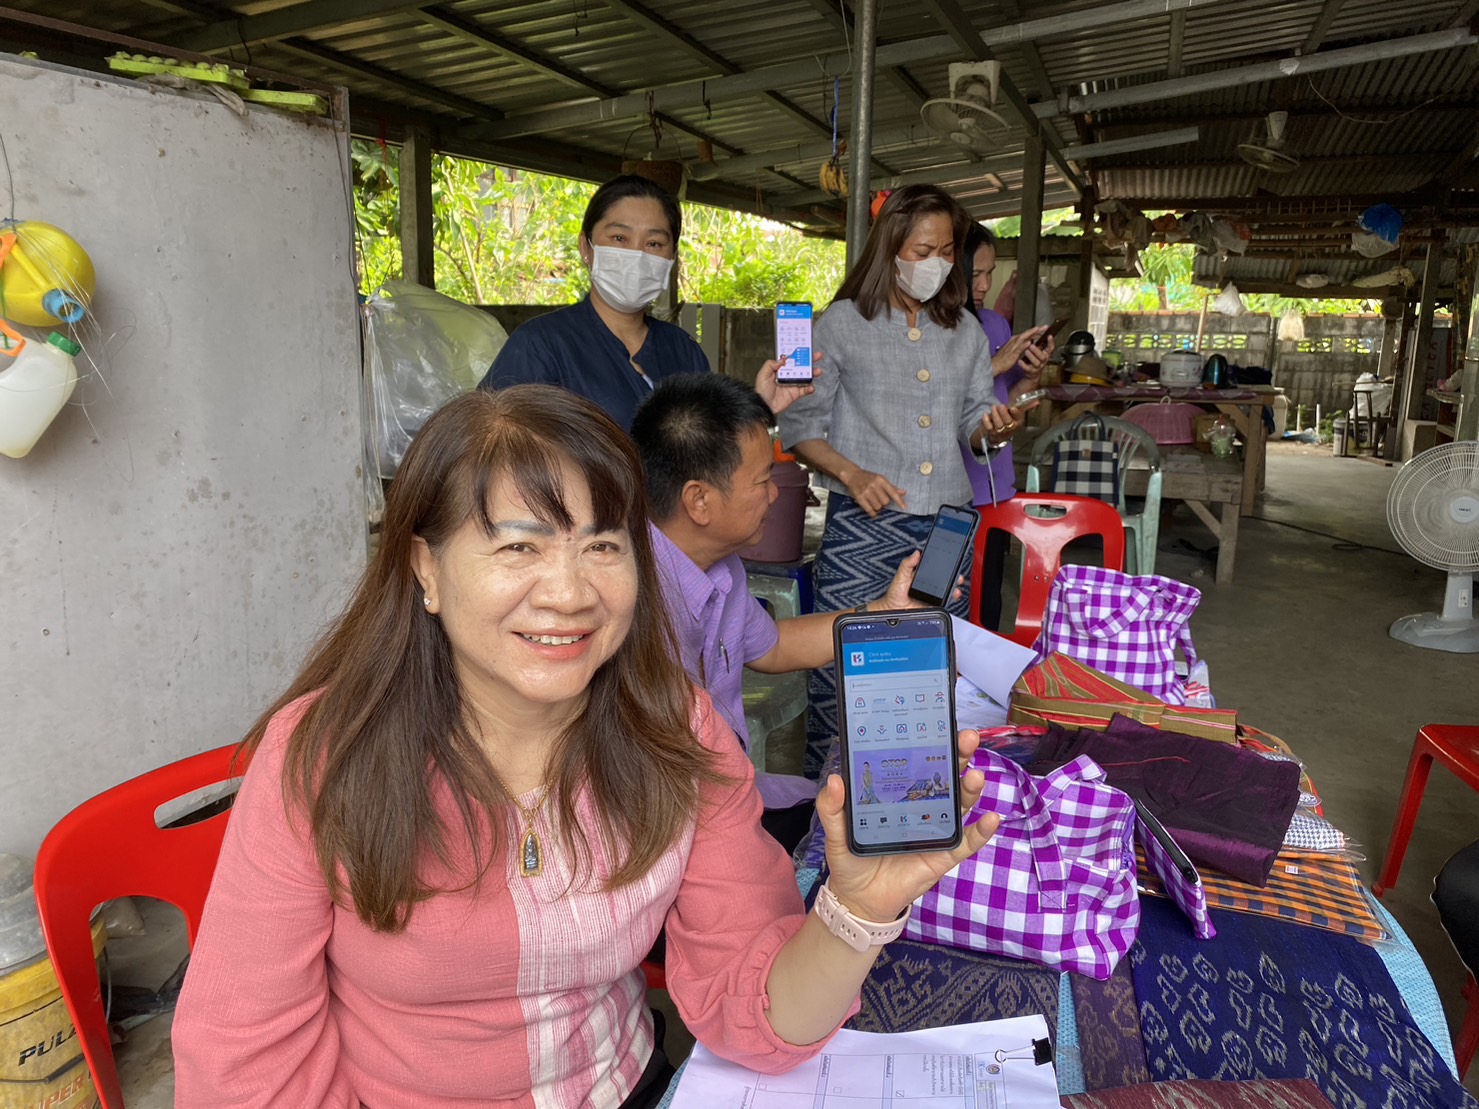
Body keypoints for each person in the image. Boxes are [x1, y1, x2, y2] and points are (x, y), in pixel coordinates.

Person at [171, 384, 1000, 1109]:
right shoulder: (323, 757)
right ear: (425, 568)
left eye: (603, 545)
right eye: (519, 545)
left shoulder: (674, 729)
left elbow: (756, 1010)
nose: (570, 592)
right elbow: (244, 1063)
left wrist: (857, 911)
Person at [776, 185, 1045, 778]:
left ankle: (919, 792)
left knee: (930, 665)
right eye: (923, 251)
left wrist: (995, 430)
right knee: (844, 663)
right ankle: (831, 804)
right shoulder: (842, 324)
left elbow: (975, 428)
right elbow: (798, 426)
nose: (937, 264)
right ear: (890, 247)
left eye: (946, 252)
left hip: (947, 529)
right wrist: (851, 472)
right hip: (863, 527)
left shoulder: (966, 332)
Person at [630, 372, 927, 851]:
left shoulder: (721, 567)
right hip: (671, 827)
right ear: (699, 500)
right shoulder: (630, 601)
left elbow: (775, 647)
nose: (775, 494)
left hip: (731, 794)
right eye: (763, 480)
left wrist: (881, 612)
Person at [477, 174, 808, 430]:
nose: (636, 255)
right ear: (586, 247)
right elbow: (486, 445)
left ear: (671, 257)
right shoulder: (541, 345)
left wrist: (760, 408)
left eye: (654, 243)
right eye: (619, 238)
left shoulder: (683, 350)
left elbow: (708, 452)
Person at [958, 222, 1054, 630]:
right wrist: (994, 365)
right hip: (951, 490)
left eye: (990, 273)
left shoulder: (995, 324)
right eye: (975, 274)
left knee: (987, 602)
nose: (985, 285)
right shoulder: (932, 333)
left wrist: (1030, 377)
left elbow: (1008, 399)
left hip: (992, 485)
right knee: (947, 600)